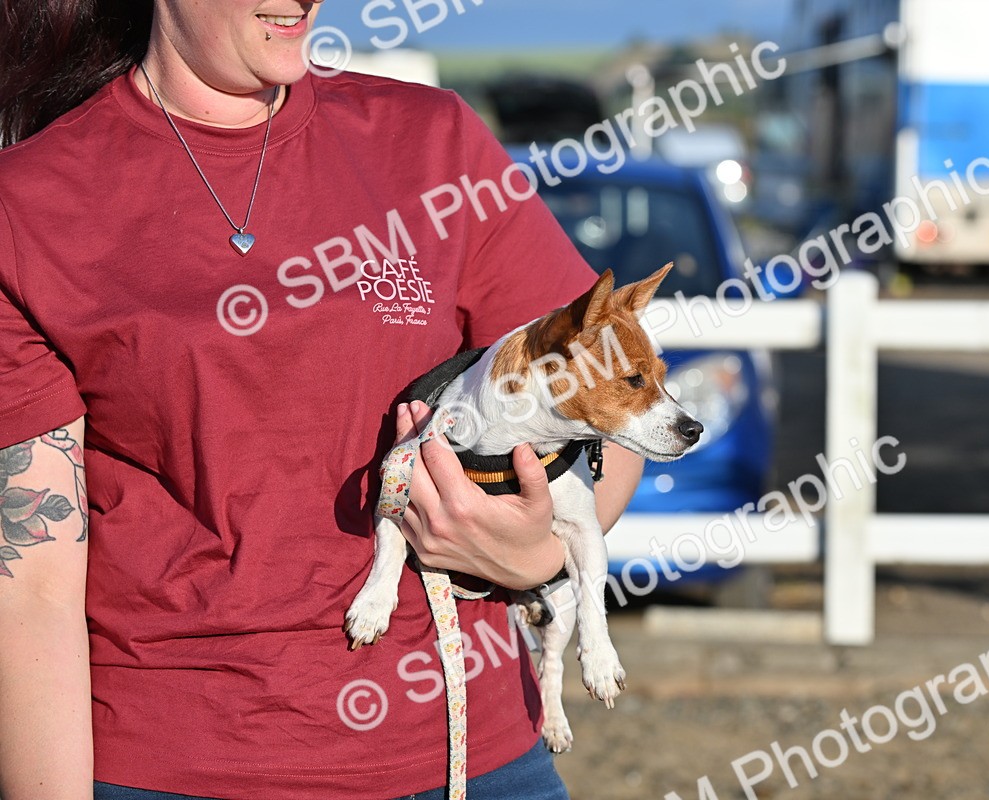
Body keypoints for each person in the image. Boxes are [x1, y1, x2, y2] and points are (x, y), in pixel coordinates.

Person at [0, 1, 644, 797]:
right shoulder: (30, 203)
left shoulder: (433, 145)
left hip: (472, 758)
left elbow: (613, 395)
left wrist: (539, 549)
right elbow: (29, 589)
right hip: (180, 765)